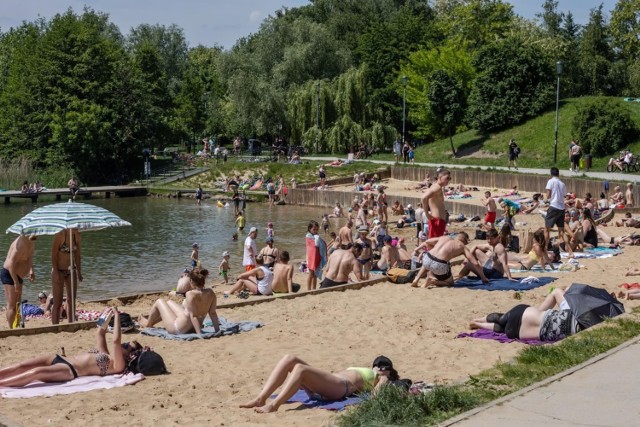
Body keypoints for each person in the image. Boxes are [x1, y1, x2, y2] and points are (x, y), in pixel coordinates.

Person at [0, 308, 143, 387]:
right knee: (20, 365)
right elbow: (100, 332)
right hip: (59, 358)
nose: (123, 344)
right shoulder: (106, 354)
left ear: (130, 355)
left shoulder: (118, 365)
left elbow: (116, 340)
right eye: (126, 343)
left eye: (126, 346)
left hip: (69, 370)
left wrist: (117, 317)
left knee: (34, 373)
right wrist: (107, 315)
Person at [241, 354, 398, 413]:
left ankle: (274, 405)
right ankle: (261, 398)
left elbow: (375, 396)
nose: (379, 368)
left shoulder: (383, 379)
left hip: (339, 387)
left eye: (384, 367)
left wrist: (384, 378)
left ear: (389, 371)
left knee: (300, 369)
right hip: (330, 381)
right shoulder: (370, 371)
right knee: (290, 358)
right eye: (377, 365)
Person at [139, 268, 219, 334]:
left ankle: (148, 324)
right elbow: (212, 313)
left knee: (159, 301)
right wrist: (217, 330)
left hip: (178, 328)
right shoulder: (211, 292)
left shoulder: (190, 294)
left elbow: (193, 316)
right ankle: (152, 322)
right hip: (193, 327)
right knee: (169, 303)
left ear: (191, 281)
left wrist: (199, 334)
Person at [410, 232, 487, 288]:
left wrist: (432, 250)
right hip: (439, 264)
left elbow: (427, 242)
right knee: (450, 283)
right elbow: (475, 263)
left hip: (427, 257)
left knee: (429, 260)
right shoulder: (462, 246)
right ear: (464, 241)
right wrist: (483, 278)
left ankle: (416, 280)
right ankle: (432, 281)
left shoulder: (445, 237)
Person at [470, 303, 577, 342]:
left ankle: (479, 320)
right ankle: (479, 324)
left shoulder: (573, 312)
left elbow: (557, 292)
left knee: (502, 318)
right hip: (518, 333)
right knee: (502, 329)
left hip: (524, 314)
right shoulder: (576, 333)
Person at [2, 234, 37, 328]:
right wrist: (15, 282)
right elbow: (10, 264)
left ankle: (15, 326)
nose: (36, 235)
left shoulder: (31, 242)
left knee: (18, 303)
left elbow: (29, 258)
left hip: (18, 276)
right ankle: (10, 328)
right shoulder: (20, 244)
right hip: (9, 274)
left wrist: (30, 270)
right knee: (12, 305)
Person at [50, 229, 82, 324]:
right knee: (58, 302)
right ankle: (55, 326)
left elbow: (77, 255)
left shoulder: (77, 236)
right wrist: (55, 271)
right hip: (58, 269)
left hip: (71, 270)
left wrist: (79, 272)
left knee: (71, 300)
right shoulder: (60, 235)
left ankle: (71, 323)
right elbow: (53, 255)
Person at [544, 167, 574, 258]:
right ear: (558, 174)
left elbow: (548, 195)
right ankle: (570, 251)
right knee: (561, 231)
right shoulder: (562, 184)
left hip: (553, 206)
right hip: (561, 208)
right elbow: (564, 195)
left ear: (551, 174)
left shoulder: (550, 181)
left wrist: (545, 199)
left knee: (547, 229)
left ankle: (545, 249)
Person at [422, 169, 451, 238]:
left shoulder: (436, 186)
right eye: (447, 178)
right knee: (435, 245)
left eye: (450, 178)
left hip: (438, 221)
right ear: (440, 177)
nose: (448, 180)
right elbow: (424, 197)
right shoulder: (437, 187)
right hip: (437, 222)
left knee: (436, 244)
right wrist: (427, 214)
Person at [305, 221, 327, 290]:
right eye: (314, 229)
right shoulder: (308, 236)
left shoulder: (316, 236)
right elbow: (312, 246)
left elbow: (322, 243)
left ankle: (314, 288)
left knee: (315, 274)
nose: (315, 231)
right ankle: (308, 289)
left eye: (316, 229)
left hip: (316, 257)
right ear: (309, 229)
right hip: (311, 258)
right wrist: (316, 240)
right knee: (311, 274)